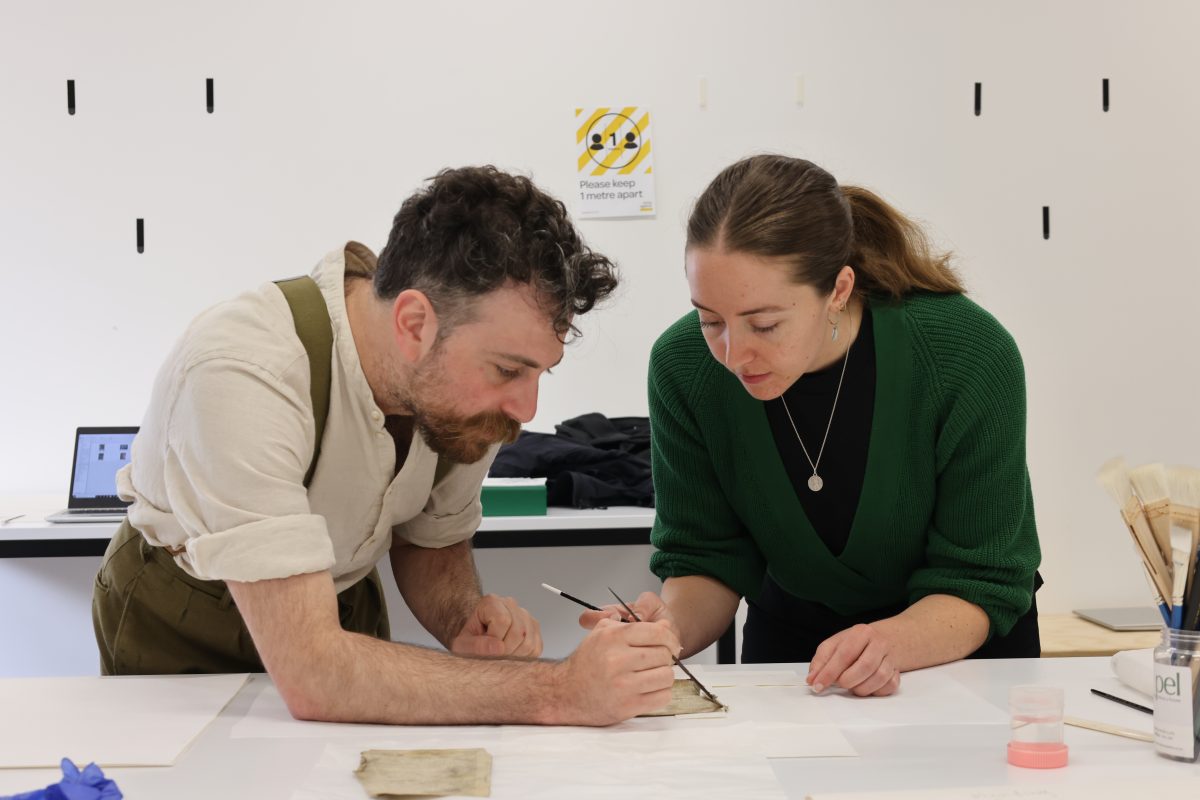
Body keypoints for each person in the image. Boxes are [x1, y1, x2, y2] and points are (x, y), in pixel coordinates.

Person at [93, 165, 681, 726]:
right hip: (186, 623)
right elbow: (316, 675)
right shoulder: (245, 370)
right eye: (508, 370)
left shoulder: (459, 399)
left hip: (336, 611)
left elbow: (431, 541)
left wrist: (461, 621)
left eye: (539, 374)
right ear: (414, 323)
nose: (526, 410)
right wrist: (559, 691)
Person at [581, 154, 1042, 697]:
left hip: (960, 659)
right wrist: (665, 629)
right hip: (795, 661)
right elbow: (706, 557)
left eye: (766, 324)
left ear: (839, 291)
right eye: (710, 320)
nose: (733, 354)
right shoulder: (683, 367)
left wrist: (892, 642)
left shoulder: (966, 352)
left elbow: (982, 574)